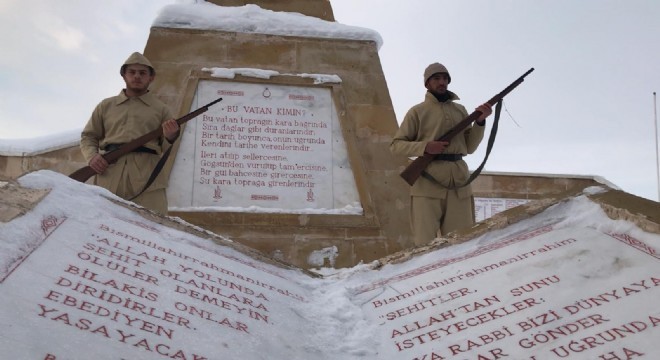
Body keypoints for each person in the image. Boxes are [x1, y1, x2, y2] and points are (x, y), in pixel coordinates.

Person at [390, 62, 493, 246]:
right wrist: (425, 147)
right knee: (424, 244)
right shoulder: (417, 112)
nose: (442, 82)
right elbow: (396, 145)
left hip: (459, 181)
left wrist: (479, 122)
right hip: (428, 183)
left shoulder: (460, 110)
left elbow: (469, 147)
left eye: (445, 78)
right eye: (436, 78)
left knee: (463, 241)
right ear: (427, 83)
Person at [80, 52, 179, 215]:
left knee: (152, 227)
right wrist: (92, 156)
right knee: (102, 222)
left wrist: (171, 136)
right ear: (124, 75)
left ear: (151, 78)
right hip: (110, 174)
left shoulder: (161, 109)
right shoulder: (106, 106)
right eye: (132, 72)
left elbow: (168, 146)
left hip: (147, 178)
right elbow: (89, 136)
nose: (137, 76)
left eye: (142, 73)